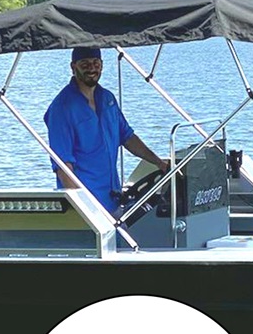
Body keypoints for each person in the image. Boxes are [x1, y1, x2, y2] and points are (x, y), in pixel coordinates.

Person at [45, 47, 168, 214]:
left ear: (102, 65)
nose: (91, 68)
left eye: (96, 63)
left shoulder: (107, 99)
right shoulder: (61, 109)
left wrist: (159, 162)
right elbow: (63, 165)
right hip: (88, 206)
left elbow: (128, 137)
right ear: (73, 67)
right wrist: (82, 209)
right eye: (85, 64)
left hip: (113, 200)